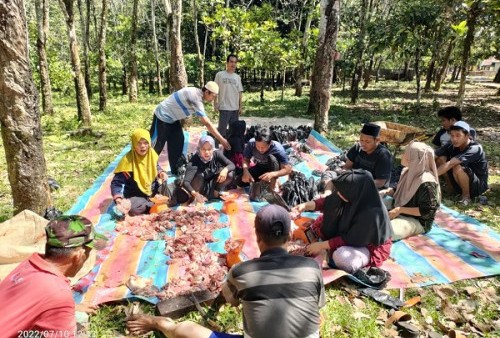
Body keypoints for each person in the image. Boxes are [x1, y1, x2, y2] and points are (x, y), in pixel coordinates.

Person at [126, 205, 326, 338]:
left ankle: (156, 323)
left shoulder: (242, 271)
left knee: (187, 330)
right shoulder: (311, 268)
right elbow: (316, 307)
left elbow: (232, 301)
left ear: (256, 236)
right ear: (290, 235)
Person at [0, 215, 107, 337]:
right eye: (88, 252)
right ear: (78, 255)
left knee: (78, 315)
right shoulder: (58, 291)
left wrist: (71, 307)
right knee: (81, 323)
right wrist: (63, 305)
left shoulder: (29, 264)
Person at [291, 169, 392, 273]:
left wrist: (321, 245)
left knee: (343, 258)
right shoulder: (352, 193)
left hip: (367, 245)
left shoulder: (372, 214)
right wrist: (304, 206)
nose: (338, 193)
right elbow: (327, 202)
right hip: (348, 232)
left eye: (341, 192)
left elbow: (352, 238)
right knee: (317, 227)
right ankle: (327, 250)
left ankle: (328, 251)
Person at [149, 82, 231, 175]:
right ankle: (147, 168)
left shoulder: (197, 94)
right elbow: (207, 123)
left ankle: (176, 169)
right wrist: (221, 139)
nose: (214, 99)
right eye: (213, 96)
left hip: (172, 119)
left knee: (178, 139)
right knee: (157, 145)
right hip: (162, 116)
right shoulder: (195, 98)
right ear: (207, 92)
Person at [379, 142, 441, 241]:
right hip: (399, 205)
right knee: (369, 203)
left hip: (417, 219)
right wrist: (388, 191)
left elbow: (427, 211)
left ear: (412, 158)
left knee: (385, 231)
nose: (402, 156)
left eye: (405, 154)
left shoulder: (427, 183)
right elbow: (404, 190)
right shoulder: (408, 171)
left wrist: (400, 210)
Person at [111, 128, 168, 216]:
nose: (143, 146)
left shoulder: (151, 154)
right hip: (136, 195)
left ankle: (154, 203)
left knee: (176, 193)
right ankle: (154, 205)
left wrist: (161, 173)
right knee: (133, 209)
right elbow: (116, 183)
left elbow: (156, 166)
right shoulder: (128, 162)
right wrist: (118, 199)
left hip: (153, 190)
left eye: (145, 143)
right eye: (139, 143)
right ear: (134, 145)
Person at [435, 121, 488, 205]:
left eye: (458, 135)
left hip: (477, 187)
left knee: (457, 166)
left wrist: (429, 177)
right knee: (440, 158)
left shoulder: (475, 149)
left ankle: (466, 197)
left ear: (467, 136)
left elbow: (451, 164)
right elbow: (433, 155)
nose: (454, 139)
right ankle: (450, 188)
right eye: (452, 136)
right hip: (458, 180)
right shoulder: (451, 145)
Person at [174, 135, 236, 204]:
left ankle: (216, 192)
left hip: (212, 184)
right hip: (200, 187)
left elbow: (232, 165)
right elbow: (186, 182)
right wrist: (195, 194)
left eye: (209, 149)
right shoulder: (195, 160)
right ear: (199, 149)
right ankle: (198, 196)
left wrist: (225, 170)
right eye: (203, 149)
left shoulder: (216, 154)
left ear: (213, 149)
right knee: (199, 175)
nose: (207, 152)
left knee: (229, 174)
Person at [342, 123, 393, 189]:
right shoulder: (357, 147)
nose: (363, 144)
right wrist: (344, 173)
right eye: (361, 140)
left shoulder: (383, 155)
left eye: (367, 142)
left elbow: (380, 182)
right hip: (353, 180)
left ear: (377, 140)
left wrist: (359, 183)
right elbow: (347, 167)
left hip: (372, 187)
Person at [214, 54, 243, 139]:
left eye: (235, 62)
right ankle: (216, 149)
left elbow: (240, 93)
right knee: (221, 132)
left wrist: (240, 107)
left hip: (235, 109)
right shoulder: (219, 75)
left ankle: (230, 150)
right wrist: (215, 104)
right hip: (224, 108)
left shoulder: (237, 77)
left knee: (233, 132)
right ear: (227, 63)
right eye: (231, 62)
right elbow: (215, 90)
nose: (233, 64)